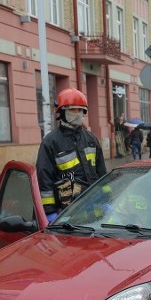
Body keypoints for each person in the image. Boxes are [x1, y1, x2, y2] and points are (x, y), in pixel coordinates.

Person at [36, 88, 106, 223]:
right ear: (62, 112)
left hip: (94, 210)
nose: (77, 113)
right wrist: (49, 213)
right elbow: (44, 181)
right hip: (67, 213)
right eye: (73, 110)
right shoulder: (51, 142)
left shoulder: (91, 139)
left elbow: (102, 174)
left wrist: (107, 199)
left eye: (80, 110)